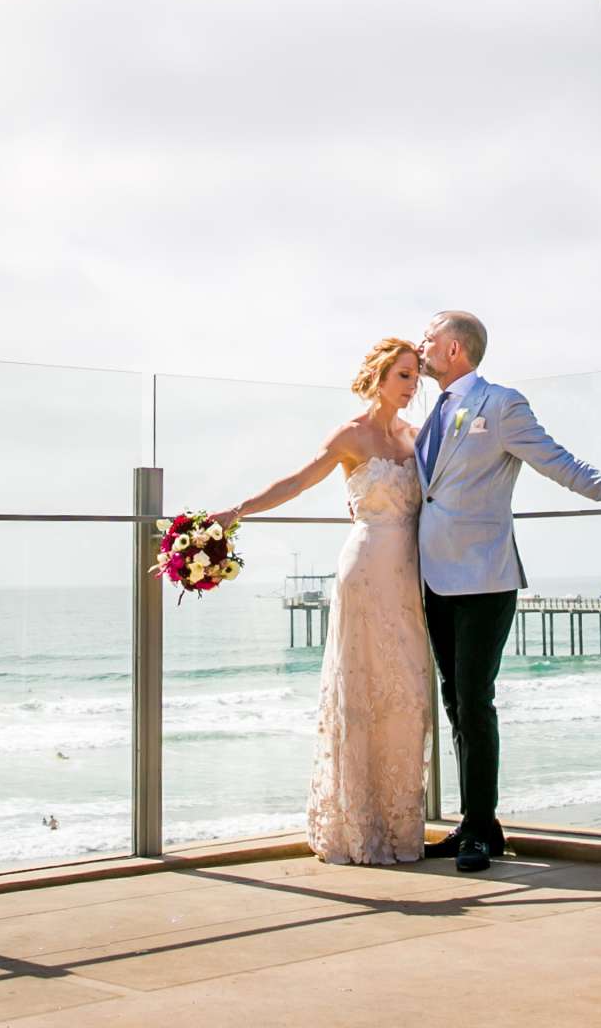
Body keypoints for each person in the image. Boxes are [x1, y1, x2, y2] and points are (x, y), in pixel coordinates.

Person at [415, 311, 601, 873]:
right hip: (432, 576)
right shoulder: (431, 413)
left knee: (475, 702)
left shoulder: (501, 404)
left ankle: (481, 830)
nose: (420, 345)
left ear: (454, 348)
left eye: (428, 338)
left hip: (485, 575)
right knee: (456, 702)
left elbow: (559, 462)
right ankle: (474, 822)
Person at [214, 338, 432, 865]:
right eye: (403, 375)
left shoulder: (415, 436)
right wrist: (238, 511)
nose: (412, 386)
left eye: (415, 376)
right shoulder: (350, 435)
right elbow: (298, 480)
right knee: (362, 693)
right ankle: (357, 827)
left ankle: (402, 827)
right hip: (365, 569)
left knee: (409, 697)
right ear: (379, 376)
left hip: (411, 577)